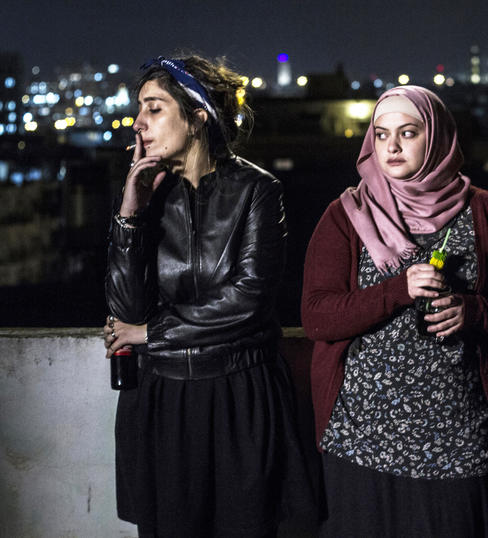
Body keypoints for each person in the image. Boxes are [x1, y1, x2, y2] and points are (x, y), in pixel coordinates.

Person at [301, 85, 488, 537]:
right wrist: (396, 290)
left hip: (459, 436)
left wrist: (474, 311)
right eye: (382, 134)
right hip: (362, 440)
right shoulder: (346, 215)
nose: (391, 146)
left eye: (408, 133)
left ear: (439, 138)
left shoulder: (484, 211)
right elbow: (317, 316)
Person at [103, 55, 312, 537]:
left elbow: (249, 299)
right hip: (165, 398)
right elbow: (126, 309)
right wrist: (130, 211)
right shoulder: (147, 194)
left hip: (240, 395)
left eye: (154, 108)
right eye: (139, 109)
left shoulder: (258, 190)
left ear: (197, 116)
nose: (139, 123)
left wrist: (151, 332)